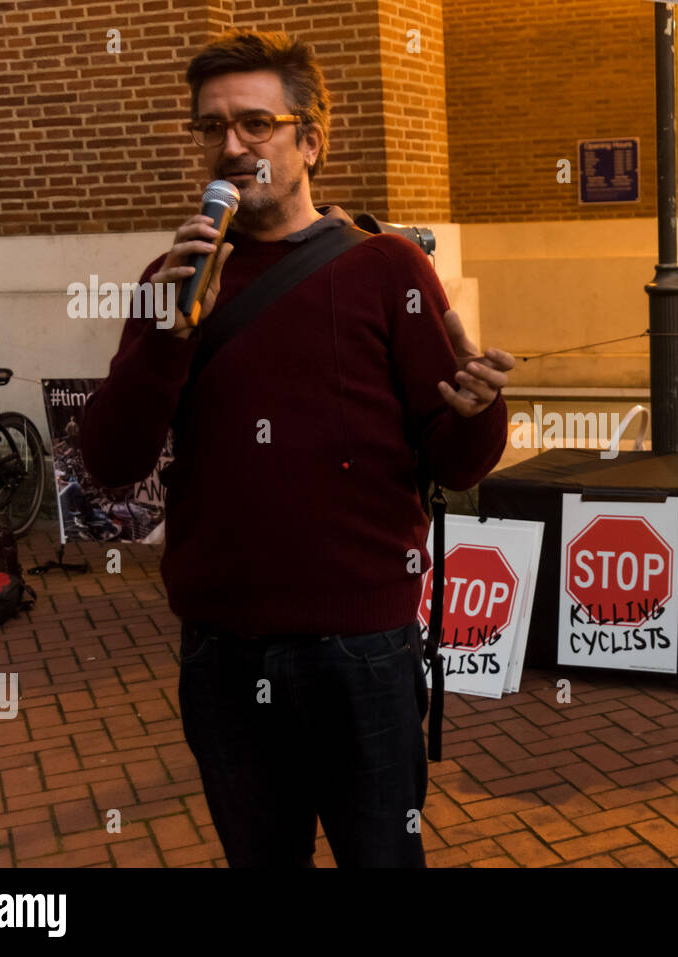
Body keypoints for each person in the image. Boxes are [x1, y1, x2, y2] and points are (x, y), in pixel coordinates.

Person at [79, 29, 512, 868]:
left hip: (364, 652)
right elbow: (113, 461)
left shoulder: (388, 269)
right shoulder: (172, 277)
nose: (231, 146)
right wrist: (169, 332)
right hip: (222, 652)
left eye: (255, 124)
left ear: (310, 140)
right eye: (210, 128)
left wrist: (478, 410)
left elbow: (457, 461)